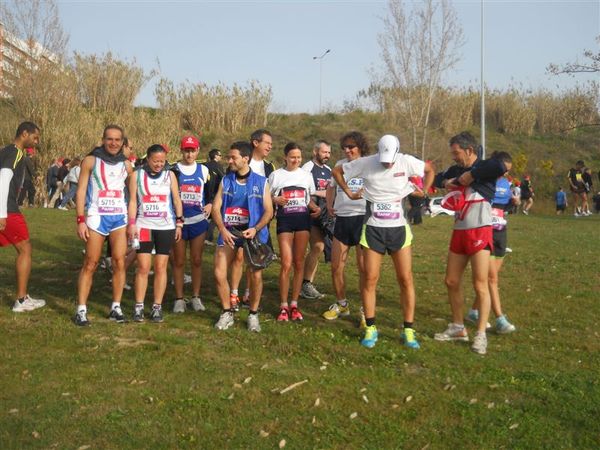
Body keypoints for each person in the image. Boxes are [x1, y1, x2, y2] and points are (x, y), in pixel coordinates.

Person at [331, 134, 433, 349]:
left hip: (399, 230)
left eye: (390, 159)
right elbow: (337, 171)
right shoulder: (367, 162)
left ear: (397, 152)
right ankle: (370, 327)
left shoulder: (406, 161)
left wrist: (424, 192)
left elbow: (429, 170)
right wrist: (348, 192)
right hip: (373, 229)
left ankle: (408, 329)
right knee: (370, 278)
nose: (386, 163)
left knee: (405, 279)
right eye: (384, 159)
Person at [433, 132, 509, 355]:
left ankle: (480, 335)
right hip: (459, 231)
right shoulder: (456, 169)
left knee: (480, 284)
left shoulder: (485, 167)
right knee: (451, 280)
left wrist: (472, 175)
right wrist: (447, 181)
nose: (454, 157)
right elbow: (439, 178)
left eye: (457, 153)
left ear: (469, 150)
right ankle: (458, 327)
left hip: (480, 230)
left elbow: (500, 165)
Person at [74, 125, 133, 326]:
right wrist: (80, 220)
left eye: (118, 140)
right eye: (110, 139)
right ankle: (81, 309)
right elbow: (80, 191)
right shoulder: (91, 160)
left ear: (122, 142)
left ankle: (116, 307)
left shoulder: (127, 165)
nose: (113, 143)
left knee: (119, 262)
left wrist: (132, 222)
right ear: (103, 139)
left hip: (119, 218)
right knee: (91, 263)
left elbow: (133, 195)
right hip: (97, 217)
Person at [212, 141, 273, 332]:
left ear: (245, 159)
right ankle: (227, 312)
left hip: (252, 235)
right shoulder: (226, 180)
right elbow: (215, 207)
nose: (229, 160)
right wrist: (222, 229)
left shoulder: (261, 182)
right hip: (230, 233)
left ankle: (253, 314)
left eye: (233, 157)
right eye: (229, 157)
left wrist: (255, 228)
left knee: (255, 276)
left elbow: (269, 211)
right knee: (219, 273)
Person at [127, 144, 183, 323]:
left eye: (162, 161)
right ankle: (139, 306)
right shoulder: (137, 175)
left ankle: (157, 307)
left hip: (165, 227)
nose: (159, 164)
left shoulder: (170, 175)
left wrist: (180, 223)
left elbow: (176, 199)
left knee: (160, 267)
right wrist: (132, 224)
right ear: (148, 159)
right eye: (155, 161)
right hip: (144, 226)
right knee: (143, 267)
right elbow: (133, 201)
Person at [269, 142, 321, 322]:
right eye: (292, 157)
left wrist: (316, 208)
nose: (296, 160)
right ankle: (283, 306)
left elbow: (307, 199)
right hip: (285, 221)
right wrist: (275, 199)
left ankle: (294, 304)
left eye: (299, 157)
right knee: (286, 263)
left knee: (299, 263)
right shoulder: (276, 175)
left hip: (302, 221)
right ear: (285, 157)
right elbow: (267, 198)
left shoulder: (306, 176)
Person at [465, 152, 516, 335]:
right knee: (492, 278)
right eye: (502, 170)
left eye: (508, 171)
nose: (504, 174)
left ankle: (473, 312)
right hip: (485, 231)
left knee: (491, 278)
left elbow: (505, 206)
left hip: (501, 232)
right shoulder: (483, 179)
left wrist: (513, 203)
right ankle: (500, 319)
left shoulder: (505, 183)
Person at [322, 131, 369, 324]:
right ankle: (342, 304)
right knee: (336, 267)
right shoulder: (339, 165)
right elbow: (331, 186)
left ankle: (367, 309)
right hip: (342, 219)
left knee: (364, 269)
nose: (347, 150)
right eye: (345, 147)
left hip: (363, 219)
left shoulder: (369, 164)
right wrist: (329, 204)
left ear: (360, 147)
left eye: (351, 147)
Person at [0, 121, 46, 312]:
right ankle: (21, 300)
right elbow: (4, 177)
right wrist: (2, 213)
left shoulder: (4, 151)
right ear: (24, 134)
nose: (36, 142)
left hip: (6, 208)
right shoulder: (15, 152)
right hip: (7, 210)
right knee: (25, 249)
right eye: (35, 137)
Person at [229, 129, 276, 309]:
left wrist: (274, 201)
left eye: (271, 144)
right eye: (267, 143)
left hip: (258, 222)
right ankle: (234, 294)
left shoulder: (269, 167)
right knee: (239, 257)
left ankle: (248, 293)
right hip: (238, 219)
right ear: (255, 143)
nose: (270, 147)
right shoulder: (238, 161)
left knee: (254, 258)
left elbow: (268, 194)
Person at [171, 135, 213, 313]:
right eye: (186, 150)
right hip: (178, 223)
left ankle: (196, 297)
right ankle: (179, 299)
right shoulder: (173, 170)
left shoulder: (203, 170)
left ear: (197, 151)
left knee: (196, 260)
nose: (189, 154)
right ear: (181, 150)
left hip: (198, 222)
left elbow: (211, 191)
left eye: (193, 150)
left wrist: (210, 203)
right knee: (179, 261)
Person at [300, 140, 332, 300]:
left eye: (329, 153)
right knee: (318, 246)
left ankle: (307, 283)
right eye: (324, 152)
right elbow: (305, 191)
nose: (327, 155)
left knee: (318, 249)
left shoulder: (329, 170)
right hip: (309, 214)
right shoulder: (307, 168)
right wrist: (321, 195)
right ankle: (305, 283)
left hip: (324, 216)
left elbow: (331, 191)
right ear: (315, 151)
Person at [204, 148, 224, 244]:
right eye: (220, 155)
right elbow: (223, 180)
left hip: (204, 194)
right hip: (215, 194)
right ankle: (208, 237)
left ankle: (203, 236)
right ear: (215, 156)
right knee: (215, 217)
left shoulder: (204, 165)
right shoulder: (218, 166)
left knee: (206, 216)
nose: (221, 157)